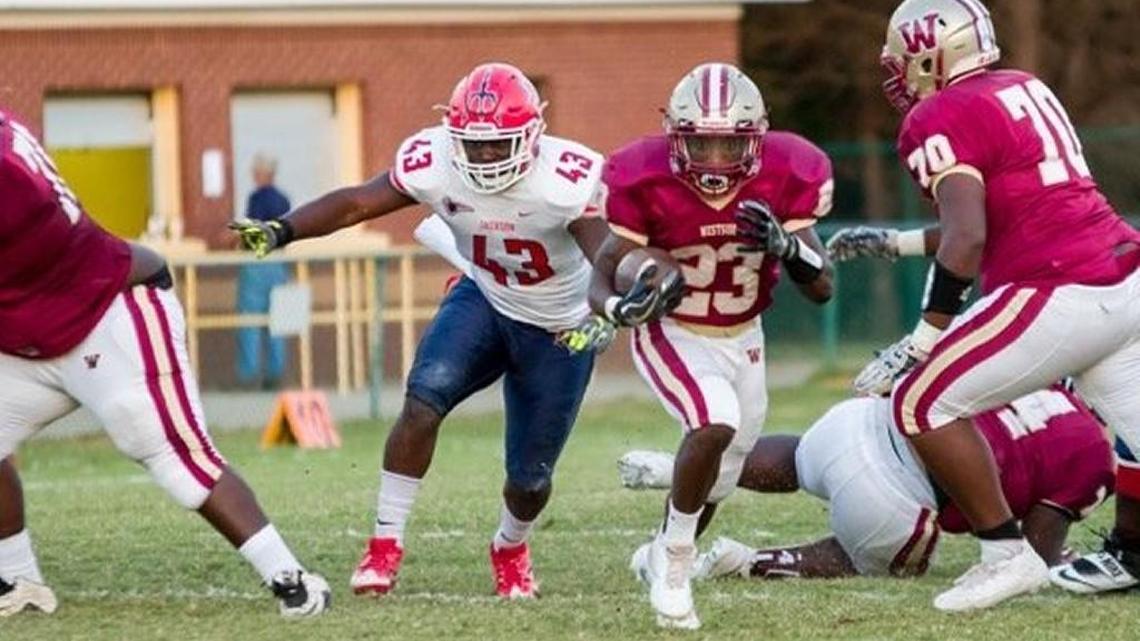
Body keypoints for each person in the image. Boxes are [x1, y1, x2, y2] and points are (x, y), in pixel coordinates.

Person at [230, 62, 679, 599]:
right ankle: (384, 545)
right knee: (424, 399)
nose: (486, 156)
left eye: (499, 144)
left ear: (533, 134)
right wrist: (284, 229)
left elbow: (607, 254)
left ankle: (510, 548)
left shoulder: (567, 180)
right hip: (485, 298)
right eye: (473, 144)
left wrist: (627, 290)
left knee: (530, 479)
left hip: (559, 328)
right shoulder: (436, 159)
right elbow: (356, 201)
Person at [824, 0, 1140, 612]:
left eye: (904, 59)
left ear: (931, 54)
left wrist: (923, 337)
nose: (898, 72)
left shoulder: (938, 114)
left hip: (1061, 286)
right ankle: (1133, 552)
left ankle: (1005, 555)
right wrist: (898, 243)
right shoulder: (1024, 86)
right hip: (1125, 274)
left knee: (922, 402)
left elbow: (969, 235)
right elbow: (1009, 215)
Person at [0, 113, 329, 618]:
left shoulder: (9, 178)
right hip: (31, 333)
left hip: (110, 312)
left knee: (173, 456)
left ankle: (292, 579)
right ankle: (18, 580)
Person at [588, 62, 835, 629]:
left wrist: (789, 248)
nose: (716, 161)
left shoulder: (791, 169)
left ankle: (656, 551)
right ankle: (676, 565)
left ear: (758, 136)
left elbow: (821, 288)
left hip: (744, 335)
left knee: (723, 473)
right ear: (675, 137)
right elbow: (599, 276)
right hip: (674, 329)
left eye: (730, 145)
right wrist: (616, 308)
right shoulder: (640, 174)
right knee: (714, 419)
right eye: (701, 143)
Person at [619, 386, 1114, 580]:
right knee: (872, 559)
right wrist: (1060, 560)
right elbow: (1038, 545)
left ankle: (689, 466)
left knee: (798, 459)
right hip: (891, 497)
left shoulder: (1032, 375)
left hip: (859, 422)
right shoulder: (1097, 456)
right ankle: (745, 562)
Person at [235, 153, 290, 390]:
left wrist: (234, 239)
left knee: (250, 319)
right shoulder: (284, 200)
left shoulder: (257, 198)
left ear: (261, 173)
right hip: (280, 263)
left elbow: (254, 230)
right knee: (278, 319)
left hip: (257, 263)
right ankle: (275, 373)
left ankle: (249, 376)